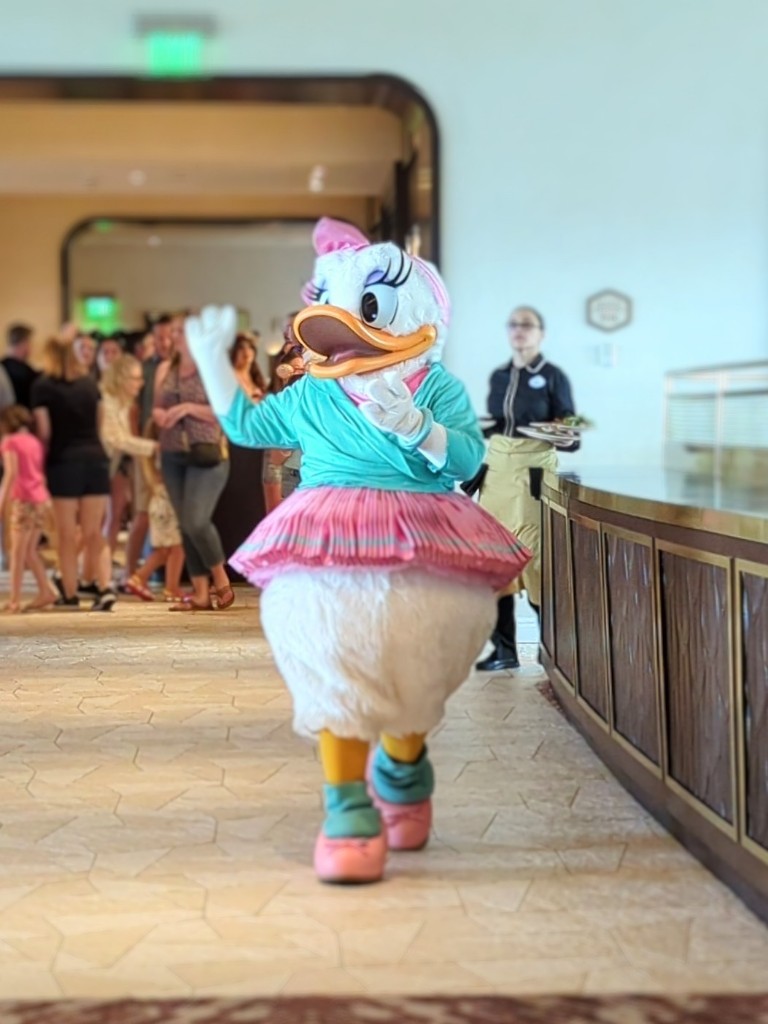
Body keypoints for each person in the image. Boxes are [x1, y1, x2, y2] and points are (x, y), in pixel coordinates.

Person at [475, 306, 579, 672]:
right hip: (498, 474)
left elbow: (571, 431)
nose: (519, 331)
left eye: (527, 325)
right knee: (494, 561)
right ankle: (503, 649)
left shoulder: (553, 377)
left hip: (533, 473)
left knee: (534, 558)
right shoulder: (500, 376)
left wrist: (563, 434)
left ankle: (553, 649)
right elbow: (499, 422)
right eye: (514, 325)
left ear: (541, 334)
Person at [153, 317, 233, 612]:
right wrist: (161, 416)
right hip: (173, 453)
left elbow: (224, 410)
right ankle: (200, 593)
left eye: (182, 332)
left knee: (196, 519)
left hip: (207, 452)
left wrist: (188, 408)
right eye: (174, 332)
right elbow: (157, 408)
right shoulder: (166, 369)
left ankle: (220, 577)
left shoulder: (211, 367)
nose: (176, 337)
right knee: (184, 524)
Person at [31, 333, 115, 611]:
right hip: (95, 459)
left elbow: (45, 432)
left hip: (63, 462)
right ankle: (105, 588)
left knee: (66, 534)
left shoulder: (42, 387)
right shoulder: (90, 385)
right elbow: (100, 423)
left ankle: (70, 593)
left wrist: (40, 466)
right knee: (94, 532)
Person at [0, 405, 56, 612]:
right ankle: (46, 590)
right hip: (40, 498)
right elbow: (39, 473)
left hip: (22, 500)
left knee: (17, 553)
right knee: (30, 551)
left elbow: (11, 473)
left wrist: (2, 501)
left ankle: (14, 600)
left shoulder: (9, 442)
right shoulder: (34, 441)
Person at [123, 421, 185, 603]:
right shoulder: (164, 452)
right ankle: (141, 578)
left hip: (159, 502)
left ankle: (169, 587)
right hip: (168, 503)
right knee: (173, 548)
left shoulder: (152, 454)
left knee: (171, 549)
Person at [1, 323, 40, 409]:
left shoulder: (4, 366)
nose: (32, 346)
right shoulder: (20, 371)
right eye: (30, 342)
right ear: (24, 343)